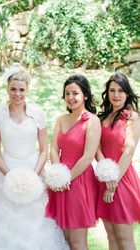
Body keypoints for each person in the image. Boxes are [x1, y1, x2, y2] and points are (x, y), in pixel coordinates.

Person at [0, 65, 69, 250]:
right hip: (5, 172)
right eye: (13, 89)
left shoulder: (37, 113)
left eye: (22, 89)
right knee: (2, 223)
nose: (17, 94)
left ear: (27, 90)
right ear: (7, 89)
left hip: (33, 170)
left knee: (35, 224)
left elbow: (44, 150)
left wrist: (34, 175)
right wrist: (9, 175)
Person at [46, 75, 101, 250]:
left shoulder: (92, 120)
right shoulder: (61, 119)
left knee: (77, 241)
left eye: (75, 93)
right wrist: (57, 174)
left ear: (85, 95)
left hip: (79, 180)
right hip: (59, 179)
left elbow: (88, 155)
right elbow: (54, 149)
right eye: (67, 93)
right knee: (65, 238)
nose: (70, 97)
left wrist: (67, 178)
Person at [96, 73, 140, 250]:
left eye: (120, 90)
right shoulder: (102, 118)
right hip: (104, 178)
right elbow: (96, 149)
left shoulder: (132, 117)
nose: (116, 94)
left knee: (124, 239)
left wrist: (113, 182)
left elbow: (129, 151)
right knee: (111, 238)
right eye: (112, 90)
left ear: (127, 93)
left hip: (122, 179)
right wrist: (105, 175)